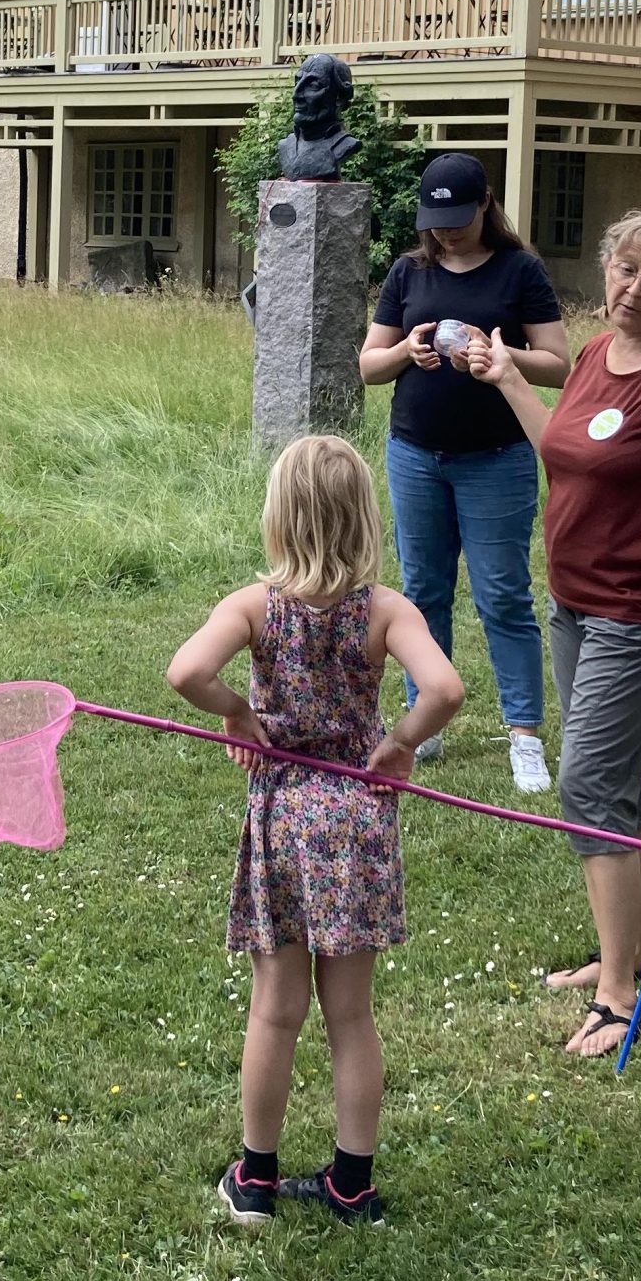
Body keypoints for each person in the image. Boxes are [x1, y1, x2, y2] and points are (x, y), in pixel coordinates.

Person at [471, 203, 641, 1059]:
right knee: (618, 783)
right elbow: (564, 450)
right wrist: (510, 380)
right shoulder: (595, 354)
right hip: (574, 598)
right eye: (625, 269)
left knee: (589, 782)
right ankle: (627, 952)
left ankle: (620, 994)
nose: (634, 288)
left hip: (638, 605)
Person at [167, 434, 462, 1229]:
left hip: (286, 818)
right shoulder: (385, 610)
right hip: (356, 817)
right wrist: (399, 741)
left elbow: (186, 671)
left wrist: (237, 711)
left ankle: (255, 1181)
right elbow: (444, 687)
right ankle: (351, 1186)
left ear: (279, 517)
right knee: (351, 1013)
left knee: (275, 1007)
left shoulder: (254, 606)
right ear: (364, 516)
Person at [360, 151, 569, 792]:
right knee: (423, 592)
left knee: (502, 595)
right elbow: (369, 366)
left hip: (497, 459)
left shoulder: (519, 270)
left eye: (457, 220)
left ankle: (524, 735)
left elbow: (559, 364)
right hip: (415, 455)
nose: (446, 234)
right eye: (435, 223)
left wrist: (499, 356)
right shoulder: (408, 271)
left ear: (485, 205)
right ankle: (424, 721)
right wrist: (406, 349)